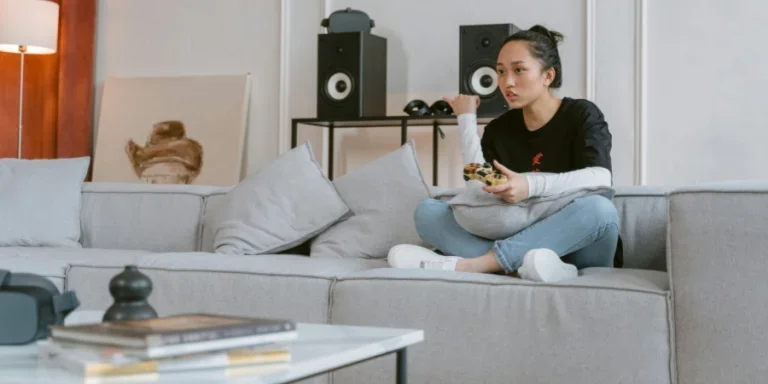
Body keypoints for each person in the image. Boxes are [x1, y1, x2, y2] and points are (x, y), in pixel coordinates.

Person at [387, 24, 620, 283]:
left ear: (548, 76)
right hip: (520, 239)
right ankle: (533, 269)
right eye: (500, 72)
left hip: (578, 243)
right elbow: (477, 184)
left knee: (600, 209)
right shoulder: (499, 129)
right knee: (428, 212)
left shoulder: (582, 114)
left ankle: (477, 265)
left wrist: (529, 184)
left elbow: (600, 177)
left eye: (519, 70)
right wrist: (465, 119)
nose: (507, 82)